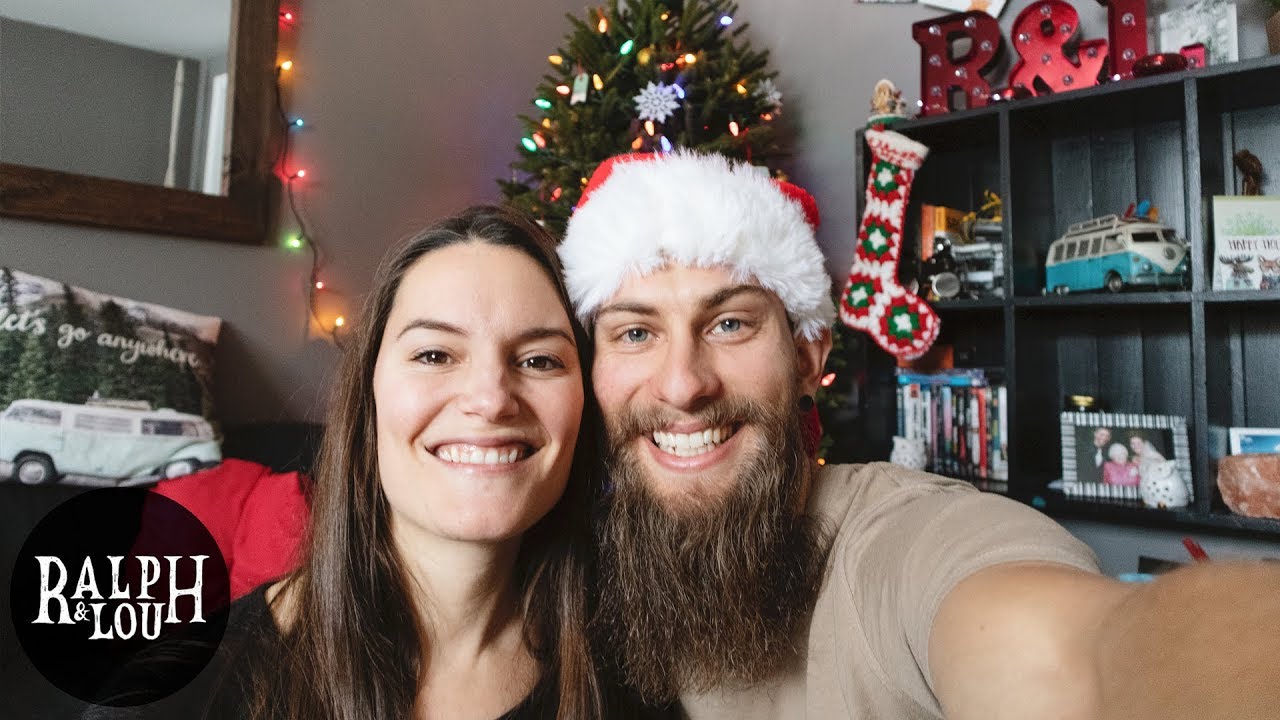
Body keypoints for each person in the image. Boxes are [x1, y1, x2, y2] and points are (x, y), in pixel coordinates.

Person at [558, 151, 1280, 719]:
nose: (683, 384)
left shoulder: (902, 543)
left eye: (730, 323)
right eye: (635, 333)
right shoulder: (572, 568)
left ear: (807, 358)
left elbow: (1075, 649)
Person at [88, 205, 665, 719]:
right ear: (369, 398)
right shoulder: (180, 691)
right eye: (435, 354)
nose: (491, 399)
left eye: (539, 360)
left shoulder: (643, 669)